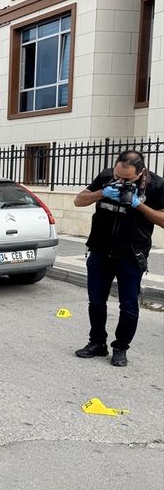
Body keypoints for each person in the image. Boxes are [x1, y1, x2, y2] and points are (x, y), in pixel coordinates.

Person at [72, 150, 164, 367]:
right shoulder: (106, 176)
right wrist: (101, 193)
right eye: (117, 175)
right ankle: (97, 343)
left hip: (131, 255)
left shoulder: (156, 185)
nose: (120, 181)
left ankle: (121, 348)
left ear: (140, 172)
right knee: (96, 301)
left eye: (127, 179)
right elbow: (78, 200)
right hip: (100, 251)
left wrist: (138, 204)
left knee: (128, 305)